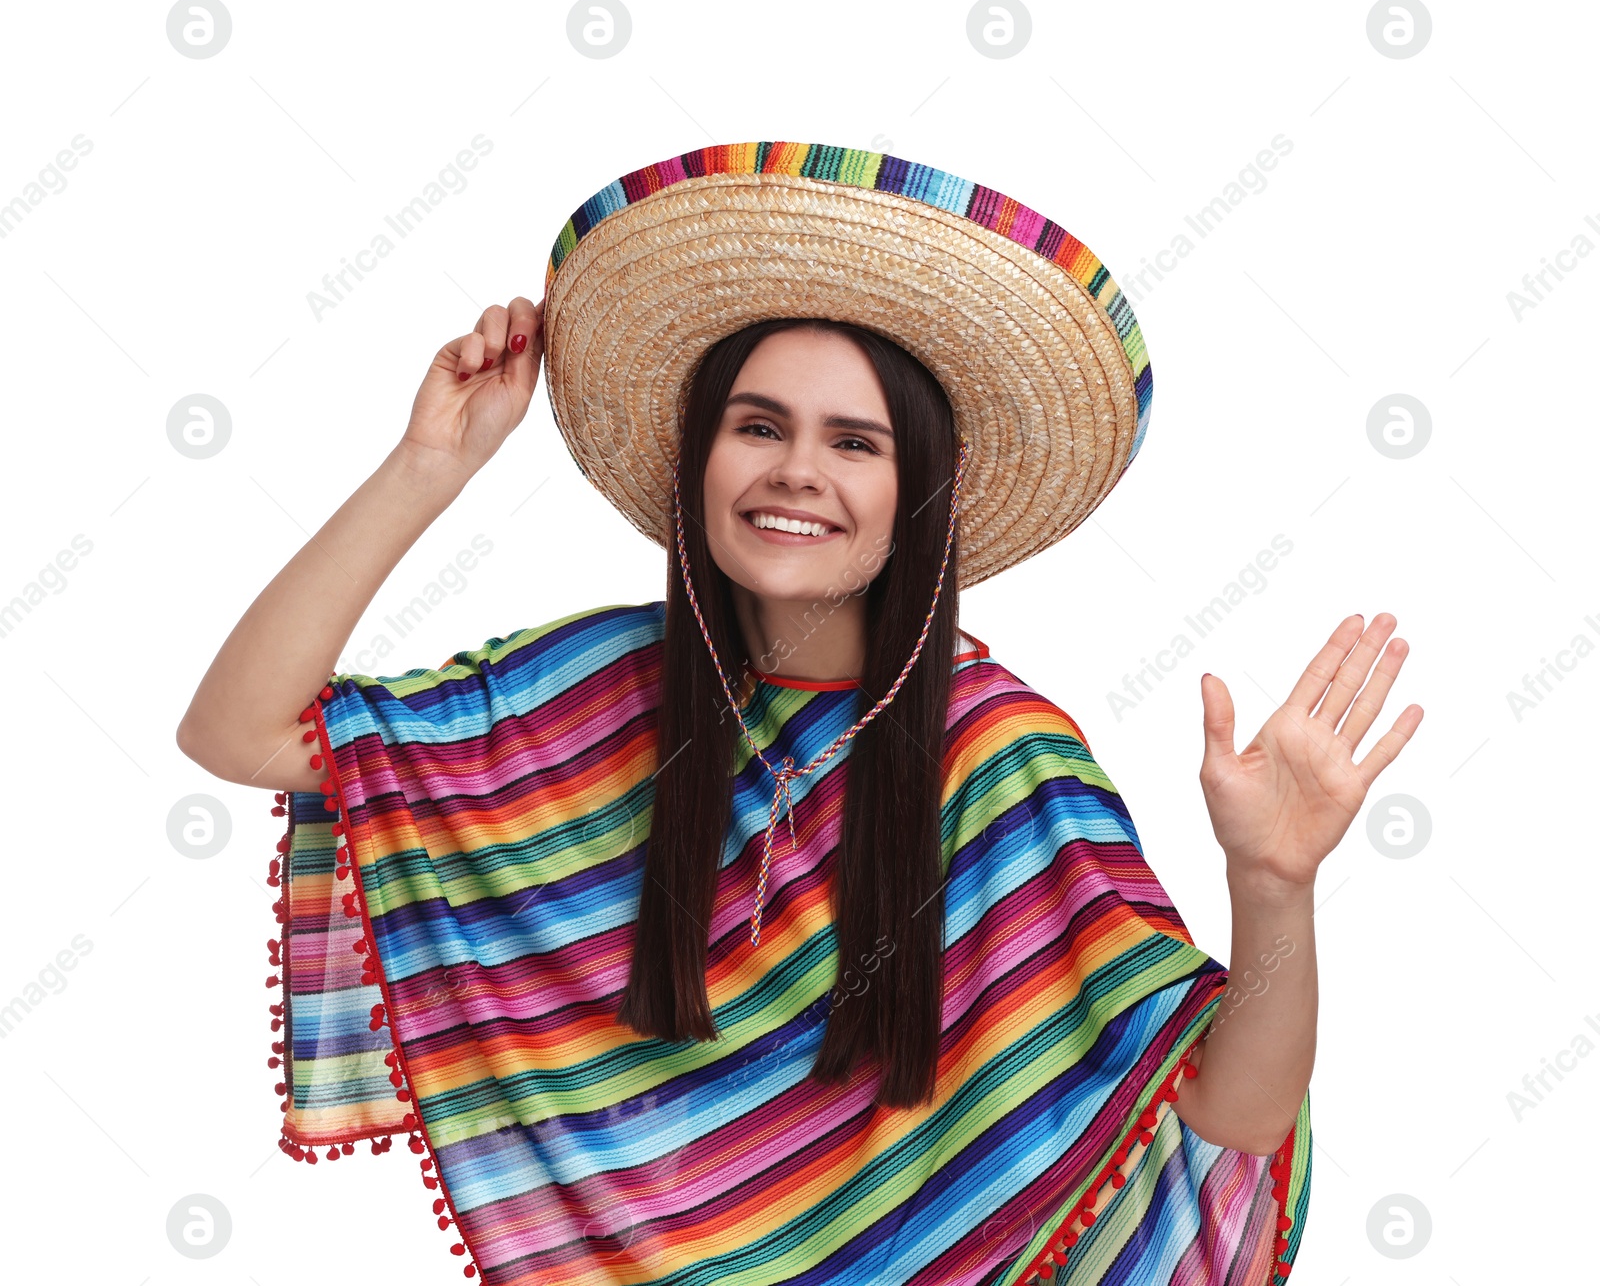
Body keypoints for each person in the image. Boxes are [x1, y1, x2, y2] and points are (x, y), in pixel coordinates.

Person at [176, 141, 1420, 1286]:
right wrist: (426, 470)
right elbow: (238, 734)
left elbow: (1222, 1124)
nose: (795, 472)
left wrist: (1272, 887)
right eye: (757, 426)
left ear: (914, 493)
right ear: (697, 465)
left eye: (856, 443)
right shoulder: (596, 694)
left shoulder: (994, 758)